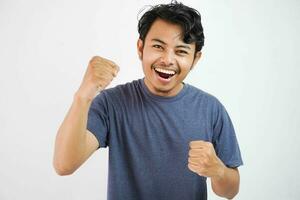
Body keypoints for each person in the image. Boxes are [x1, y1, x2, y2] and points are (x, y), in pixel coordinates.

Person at [53, 1, 243, 199]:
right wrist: (83, 95)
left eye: (181, 51)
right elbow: (64, 165)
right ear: (140, 48)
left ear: (195, 59)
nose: (167, 60)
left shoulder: (211, 109)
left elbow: (230, 191)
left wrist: (218, 171)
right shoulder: (112, 103)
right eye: (158, 46)